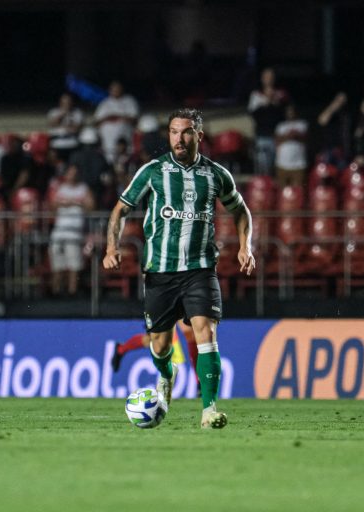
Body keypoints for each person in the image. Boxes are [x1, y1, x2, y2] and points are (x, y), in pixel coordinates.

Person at [103, 108, 255, 429]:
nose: (179, 139)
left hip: (200, 269)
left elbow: (240, 211)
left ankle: (209, 409)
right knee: (159, 345)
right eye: (173, 132)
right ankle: (165, 376)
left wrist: (245, 246)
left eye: (186, 132)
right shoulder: (153, 171)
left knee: (206, 332)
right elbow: (120, 209)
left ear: (198, 136)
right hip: (160, 272)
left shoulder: (216, 175)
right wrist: (111, 247)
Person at [48, 164, 95, 296]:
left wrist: (70, 203)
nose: (72, 176)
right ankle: (56, 291)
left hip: (75, 231)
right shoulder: (60, 188)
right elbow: (52, 205)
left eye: (75, 173)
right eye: (70, 173)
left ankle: (72, 292)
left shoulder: (83, 189)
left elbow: (90, 206)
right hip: (59, 230)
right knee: (57, 263)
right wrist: (74, 203)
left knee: (74, 263)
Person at [111, 319, 198, 375]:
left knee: (189, 332)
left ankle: (199, 383)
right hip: (160, 295)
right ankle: (121, 349)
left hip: (181, 293)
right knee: (153, 340)